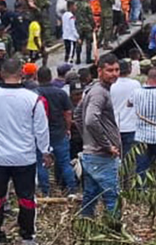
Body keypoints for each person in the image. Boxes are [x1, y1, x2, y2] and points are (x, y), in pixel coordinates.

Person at [0, 58, 51, 245]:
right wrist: (45, 151)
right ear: (22, 73)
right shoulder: (33, 98)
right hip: (24, 156)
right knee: (26, 198)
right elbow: (41, 128)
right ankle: (27, 237)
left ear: (1, 73)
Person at [79, 54, 122, 220]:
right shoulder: (99, 93)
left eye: (117, 70)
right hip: (101, 156)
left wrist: (88, 140)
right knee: (112, 196)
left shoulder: (94, 90)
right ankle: (116, 233)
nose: (114, 74)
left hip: (92, 154)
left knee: (91, 194)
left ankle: (86, 225)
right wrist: (105, 145)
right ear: (100, 71)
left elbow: (78, 114)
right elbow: (90, 120)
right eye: (109, 70)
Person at [34, 67, 77, 197]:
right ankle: (72, 189)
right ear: (51, 77)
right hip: (59, 132)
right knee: (64, 162)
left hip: (40, 134)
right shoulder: (60, 93)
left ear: (37, 77)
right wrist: (67, 128)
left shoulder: (34, 93)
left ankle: (45, 191)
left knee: (41, 163)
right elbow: (68, 112)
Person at [111, 60, 141, 159]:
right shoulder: (135, 84)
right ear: (129, 70)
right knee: (130, 159)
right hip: (132, 127)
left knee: (116, 158)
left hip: (115, 127)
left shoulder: (111, 86)